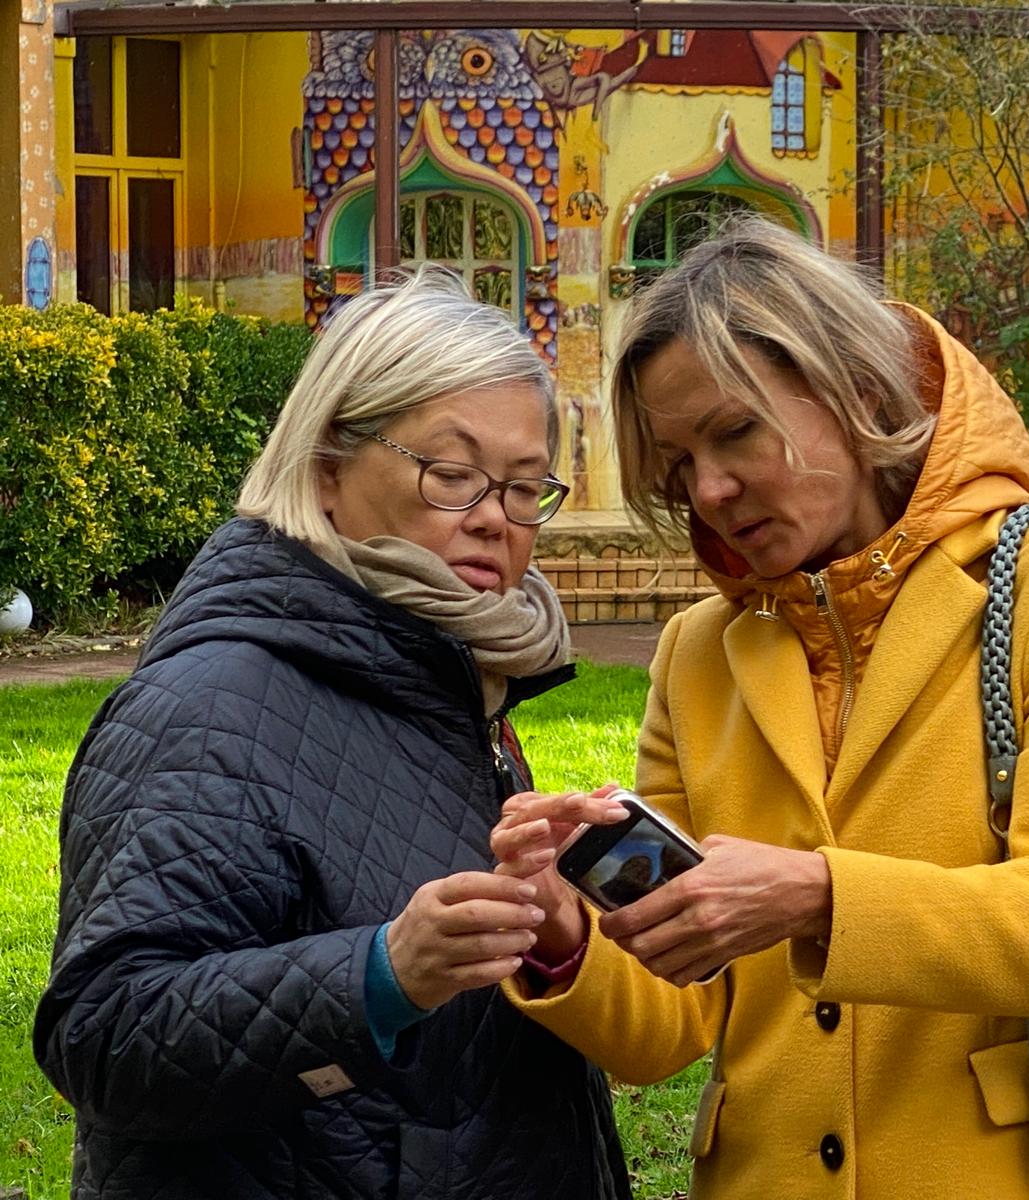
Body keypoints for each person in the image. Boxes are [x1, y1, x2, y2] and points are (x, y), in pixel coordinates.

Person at [491, 219, 1029, 1197]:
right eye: (679, 464)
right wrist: (566, 933)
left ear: (858, 389)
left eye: (735, 432)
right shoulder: (698, 653)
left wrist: (812, 893)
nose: (712, 490)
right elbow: (668, 1026)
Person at [33, 269, 632, 1200]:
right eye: (453, 474)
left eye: (523, 489)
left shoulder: (447, 677)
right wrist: (379, 976)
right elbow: (105, 1038)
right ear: (327, 466)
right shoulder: (205, 708)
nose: (493, 519)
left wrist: (555, 928)